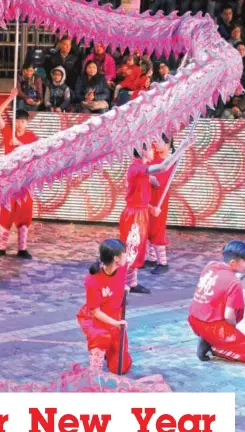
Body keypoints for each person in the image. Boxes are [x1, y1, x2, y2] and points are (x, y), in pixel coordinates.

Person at [120, 137, 191, 294]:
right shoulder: (137, 168)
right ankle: (123, 284)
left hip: (140, 212)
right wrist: (182, 148)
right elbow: (164, 167)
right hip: (134, 215)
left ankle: (131, 283)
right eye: (150, 148)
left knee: (136, 249)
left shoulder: (142, 168)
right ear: (143, 151)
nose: (153, 150)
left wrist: (151, 209)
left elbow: (142, 193)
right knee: (132, 249)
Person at [188, 240, 245, 364]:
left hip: (194, 319)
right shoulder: (234, 283)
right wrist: (229, 333)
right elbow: (229, 316)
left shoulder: (211, 265)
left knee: (219, 304)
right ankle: (215, 346)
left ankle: (207, 338)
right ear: (233, 262)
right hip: (211, 326)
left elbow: (228, 280)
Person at [0, 88, 38, 260]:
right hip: (9, 181)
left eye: (24, 121)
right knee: (6, 213)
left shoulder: (32, 137)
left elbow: (36, 153)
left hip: (25, 182)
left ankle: (22, 248)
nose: (21, 124)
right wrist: (10, 97)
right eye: (19, 121)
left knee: (24, 214)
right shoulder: (7, 132)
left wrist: (19, 143)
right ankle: (1, 248)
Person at [77, 239, 130, 374]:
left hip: (115, 315)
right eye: (124, 253)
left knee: (121, 367)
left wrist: (124, 288)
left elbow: (117, 283)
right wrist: (116, 323)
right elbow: (95, 311)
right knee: (100, 340)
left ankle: (109, 352)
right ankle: (97, 363)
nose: (127, 256)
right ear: (116, 258)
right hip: (96, 320)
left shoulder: (123, 268)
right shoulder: (92, 280)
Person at [144, 134, 175, 275]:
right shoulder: (154, 156)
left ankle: (163, 262)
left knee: (157, 229)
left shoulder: (169, 162)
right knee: (147, 228)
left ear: (168, 144)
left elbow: (157, 181)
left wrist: (143, 176)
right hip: (148, 198)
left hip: (159, 199)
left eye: (160, 141)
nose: (155, 143)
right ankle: (151, 258)